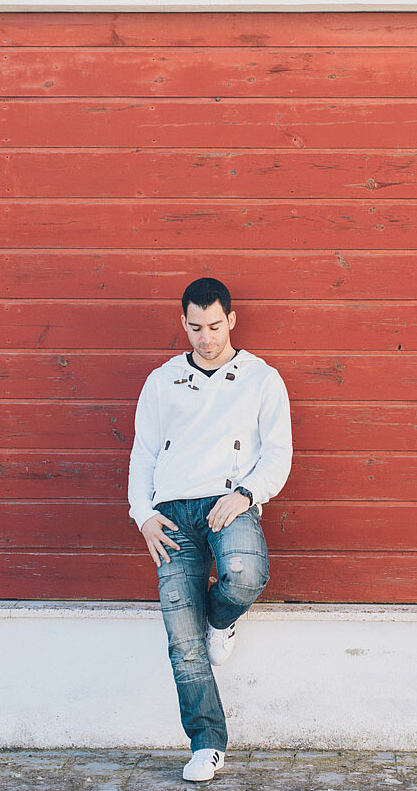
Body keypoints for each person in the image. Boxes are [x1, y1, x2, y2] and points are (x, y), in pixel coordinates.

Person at [128, 277, 292, 781]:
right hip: (171, 514)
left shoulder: (261, 378)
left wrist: (244, 495)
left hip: (229, 502)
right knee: (182, 640)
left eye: (215, 326)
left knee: (244, 576)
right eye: (195, 327)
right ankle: (206, 742)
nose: (206, 337)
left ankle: (220, 620)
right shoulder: (162, 380)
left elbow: (277, 454)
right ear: (183, 323)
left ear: (232, 320)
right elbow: (144, 453)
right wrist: (143, 515)